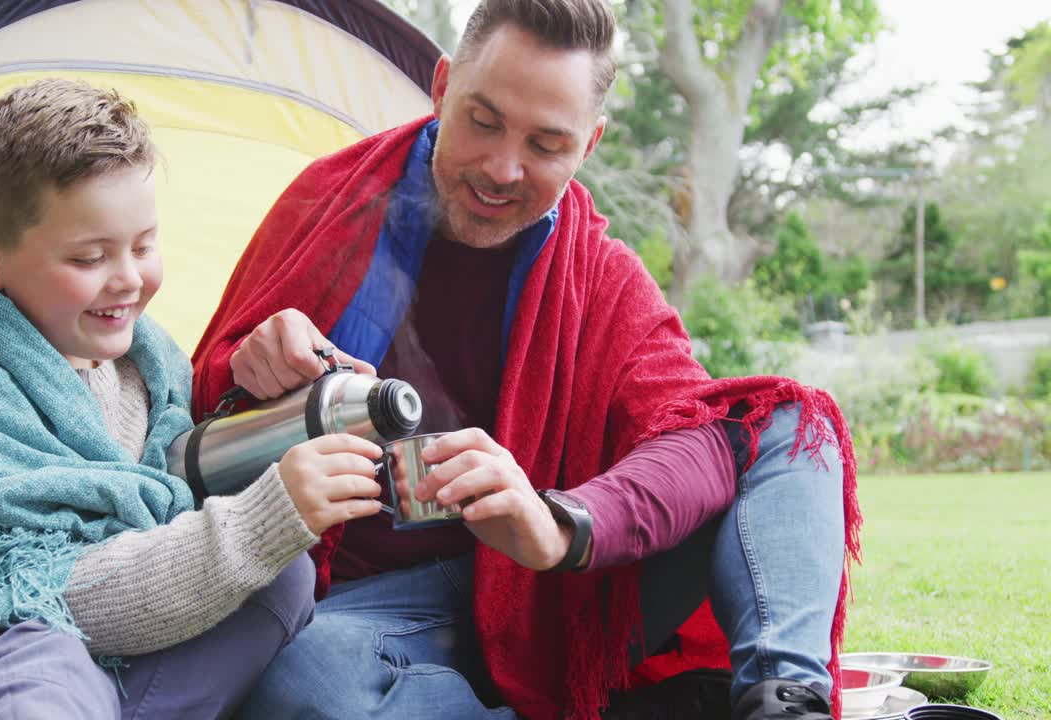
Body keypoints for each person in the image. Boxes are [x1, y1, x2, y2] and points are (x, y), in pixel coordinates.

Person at [189, 2, 860, 719]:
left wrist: (559, 525)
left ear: (590, 144)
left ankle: (784, 704)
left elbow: (701, 439)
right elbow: (197, 414)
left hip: (554, 597)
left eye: (545, 145)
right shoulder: (332, 203)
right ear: (442, 87)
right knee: (302, 684)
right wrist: (247, 368)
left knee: (784, 421)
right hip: (373, 606)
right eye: (482, 120)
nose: (501, 169)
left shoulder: (598, 274)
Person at [0, 78, 388, 720]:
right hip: (14, 638)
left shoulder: (149, 357)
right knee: (37, 665)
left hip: (129, 656)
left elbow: (177, 479)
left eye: (143, 246)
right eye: (89, 257)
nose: (131, 279)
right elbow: (60, 597)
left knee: (285, 577)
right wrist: (263, 519)